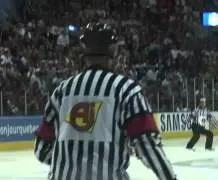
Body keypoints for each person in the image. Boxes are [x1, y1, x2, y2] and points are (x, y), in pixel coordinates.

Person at [33, 22, 177, 180]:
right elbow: (148, 147)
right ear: (114, 52)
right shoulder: (127, 91)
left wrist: (69, 163)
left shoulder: (62, 91)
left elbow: (41, 149)